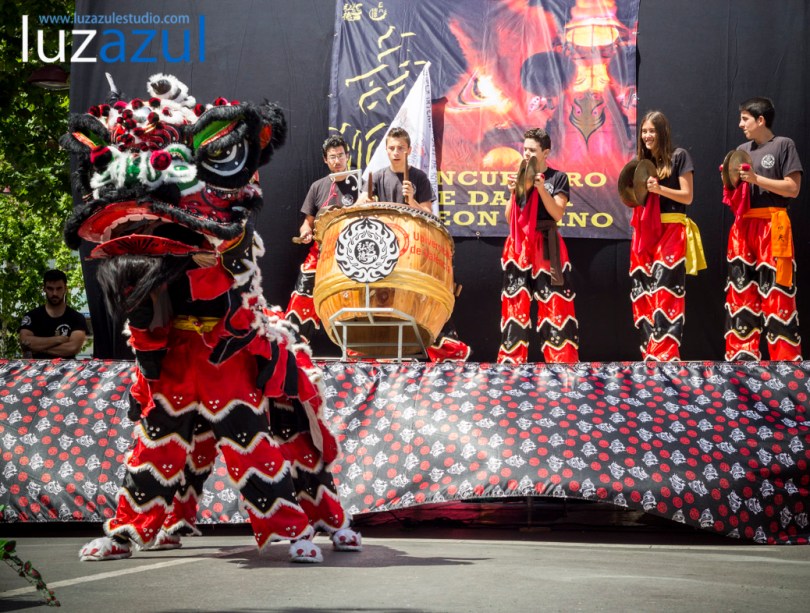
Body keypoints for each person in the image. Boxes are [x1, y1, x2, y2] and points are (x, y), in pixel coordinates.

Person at [362, 127, 470, 361]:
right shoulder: (378, 176)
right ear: (386, 150)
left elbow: (430, 216)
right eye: (391, 148)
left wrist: (411, 200)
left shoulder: (418, 177)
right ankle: (380, 346)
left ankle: (438, 344)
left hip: (412, 246)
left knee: (419, 293)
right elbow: (363, 206)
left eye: (400, 148)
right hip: (385, 248)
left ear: (409, 150)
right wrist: (365, 201)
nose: (396, 152)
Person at [724, 97, 803, 361]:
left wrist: (757, 179)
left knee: (777, 291)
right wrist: (730, 179)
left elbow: (793, 188)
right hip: (744, 225)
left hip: (773, 224)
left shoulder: (783, 145)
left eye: (745, 119)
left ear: (760, 120)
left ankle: (785, 363)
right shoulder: (742, 149)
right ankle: (741, 358)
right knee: (742, 290)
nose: (740, 124)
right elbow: (736, 194)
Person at [497, 128, 579, 364]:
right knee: (515, 303)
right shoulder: (519, 175)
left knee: (555, 302)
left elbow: (557, 213)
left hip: (547, 243)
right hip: (519, 245)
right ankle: (511, 362)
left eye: (532, 150)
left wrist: (541, 188)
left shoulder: (558, 178)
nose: (526, 154)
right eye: (525, 149)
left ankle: (561, 363)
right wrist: (513, 192)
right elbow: (509, 217)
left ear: (545, 152)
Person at [629, 111, 706, 361]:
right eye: (644, 131)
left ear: (662, 132)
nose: (647, 135)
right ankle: (648, 354)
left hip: (671, 230)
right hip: (644, 231)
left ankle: (666, 355)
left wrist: (659, 189)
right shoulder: (641, 162)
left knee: (666, 289)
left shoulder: (679, 156)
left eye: (652, 130)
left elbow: (688, 196)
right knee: (644, 291)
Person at [286, 135, 360, 342]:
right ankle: (295, 344)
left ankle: (360, 351)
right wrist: (305, 232)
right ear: (325, 160)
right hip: (322, 249)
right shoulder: (318, 187)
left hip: (354, 252)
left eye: (341, 156)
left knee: (358, 294)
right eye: (332, 157)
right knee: (305, 285)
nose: (337, 161)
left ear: (348, 156)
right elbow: (307, 221)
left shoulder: (360, 185)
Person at [19, 269, 87, 359]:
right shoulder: (32, 316)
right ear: (44, 288)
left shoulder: (77, 318)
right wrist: (58, 339)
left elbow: (73, 348)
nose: (54, 293)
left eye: (59, 288)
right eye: (50, 288)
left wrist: (38, 347)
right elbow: (25, 340)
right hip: (37, 371)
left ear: (65, 288)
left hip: (67, 371)